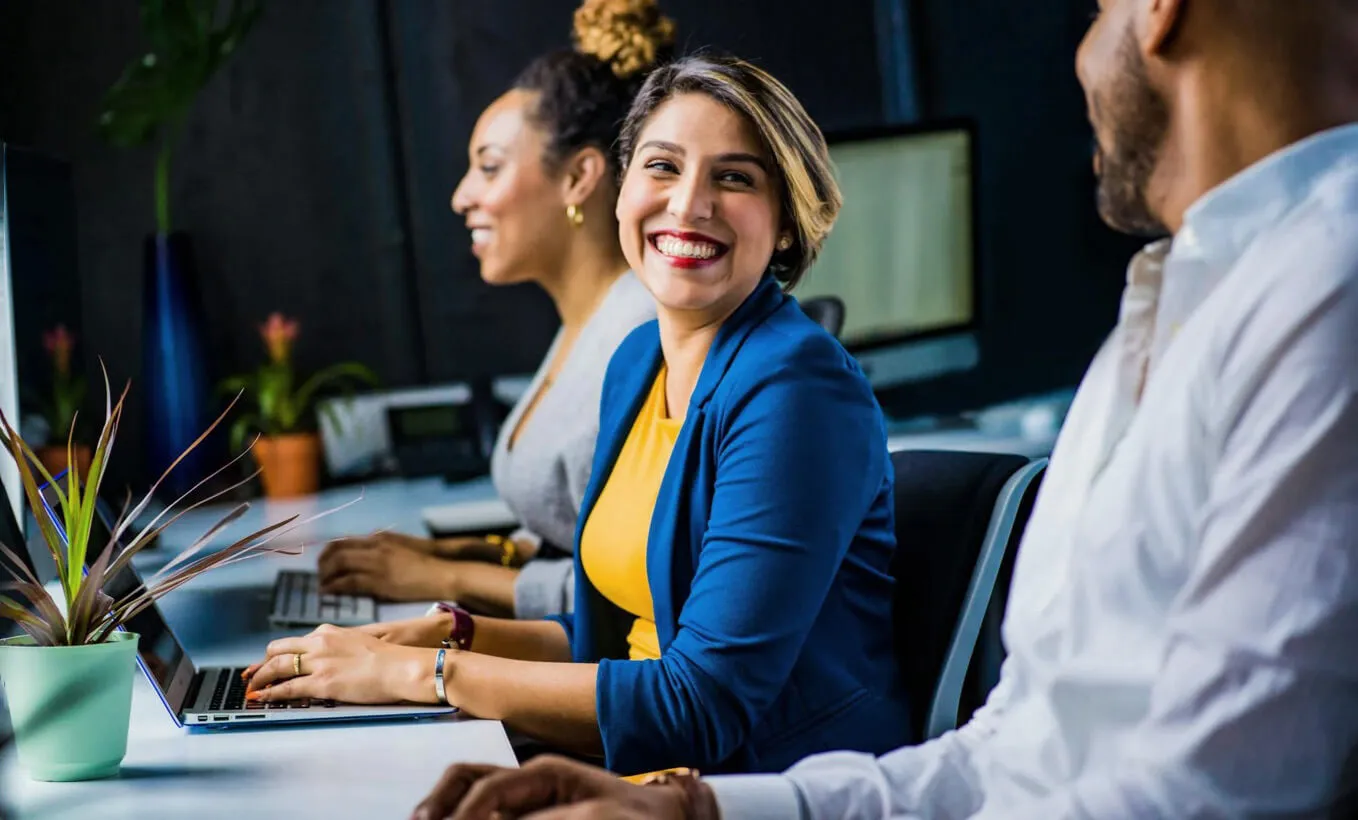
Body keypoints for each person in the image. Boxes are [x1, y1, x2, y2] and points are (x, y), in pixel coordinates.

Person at [409, 0, 1358, 817]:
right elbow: (1012, 754)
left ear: (1161, 9)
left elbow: (1213, 796)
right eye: (660, 168)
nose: (1078, 52)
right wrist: (695, 810)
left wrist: (435, 674)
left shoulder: (1322, 291)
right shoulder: (1171, 304)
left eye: (1097, 11)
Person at [244, 54, 913, 778]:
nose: (688, 204)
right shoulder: (636, 363)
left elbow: (702, 703)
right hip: (644, 769)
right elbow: (613, 642)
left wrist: (423, 675)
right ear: (622, 190)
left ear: (785, 225)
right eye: (662, 167)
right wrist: (446, 635)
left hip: (762, 785)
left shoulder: (797, 389)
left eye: (734, 177)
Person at [315, 0, 666, 620]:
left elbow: (629, 595)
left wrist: (444, 576)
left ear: (580, 176)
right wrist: (457, 553)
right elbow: (574, 533)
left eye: (490, 168)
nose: (461, 197)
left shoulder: (639, 336)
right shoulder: (587, 323)